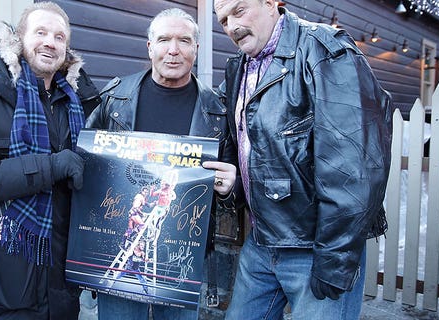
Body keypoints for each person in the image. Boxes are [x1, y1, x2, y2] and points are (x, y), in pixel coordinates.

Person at [213, 0, 392, 319]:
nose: (232, 26)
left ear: (271, 3)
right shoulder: (238, 66)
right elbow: (256, 150)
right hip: (261, 242)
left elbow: (355, 168)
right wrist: (236, 183)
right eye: (224, 19)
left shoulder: (325, 51)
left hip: (316, 247)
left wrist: (334, 260)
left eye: (239, 11)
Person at [0, 2, 100, 319]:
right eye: (41, 32)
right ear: (18, 39)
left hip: (61, 287)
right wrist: (50, 167)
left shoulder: (82, 105)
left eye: (60, 36)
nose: (50, 42)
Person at [86, 7, 238, 320]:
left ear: (195, 49)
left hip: (183, 261)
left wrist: (228, 189)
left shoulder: (217, 111)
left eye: (184, 40)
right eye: (164, 39)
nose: (173, 50)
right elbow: (87, 170)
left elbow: (231, 188)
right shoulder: (115, 98)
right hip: (121, 252)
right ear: (150, 47)